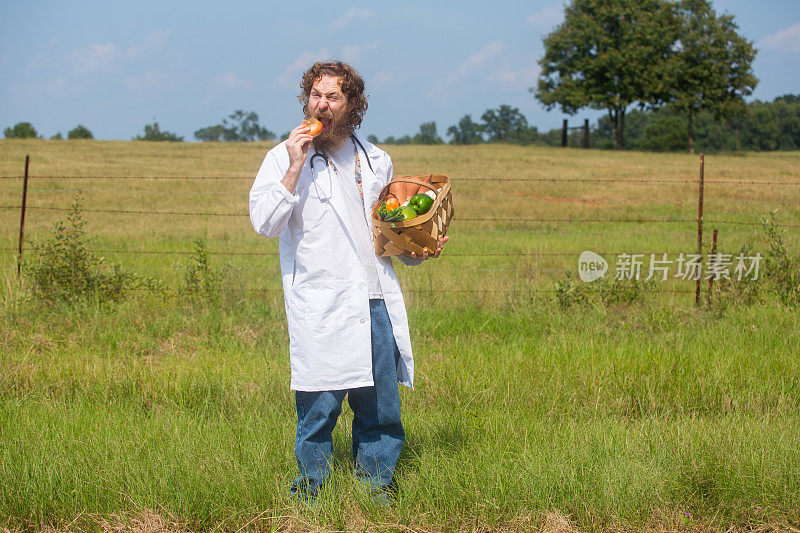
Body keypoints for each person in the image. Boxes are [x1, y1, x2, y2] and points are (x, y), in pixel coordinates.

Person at [248, 60, 447, 502]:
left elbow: (385, 234)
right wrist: (294, 166)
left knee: (380, 407)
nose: (322, 105)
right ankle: (311, 492)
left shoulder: (376, 160)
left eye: (333, 97)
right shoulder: (283, 156)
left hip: (375, 298)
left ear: (352, 105)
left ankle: (377, 488)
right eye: (316, 95)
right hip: (321, 301)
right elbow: (265, 222)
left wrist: (418, 247)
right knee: (318, 409)